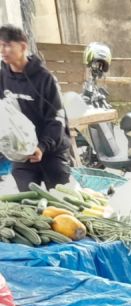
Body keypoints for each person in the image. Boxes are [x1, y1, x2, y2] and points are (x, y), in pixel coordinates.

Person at [0, 25, 72, 191]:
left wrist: (42, 147)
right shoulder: (2, 77)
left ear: (23, 46)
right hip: (22, 155)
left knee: (61, 201)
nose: (2, 50)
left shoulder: (45, 79)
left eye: (7, 45)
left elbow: (56, 119)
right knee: (27, 201)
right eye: (0, 46)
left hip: (51, 152)